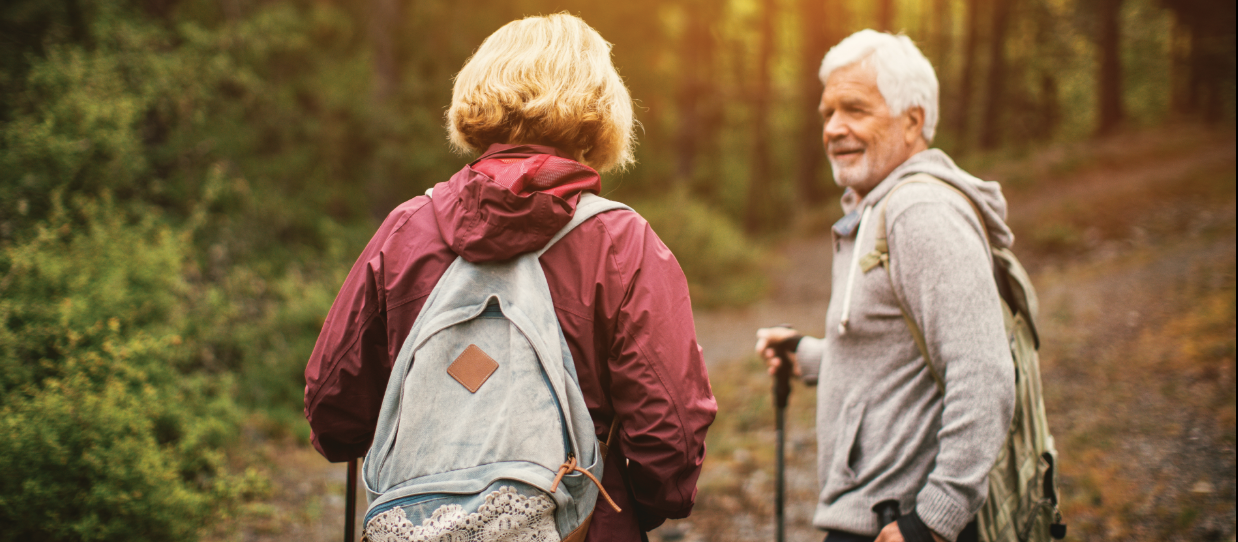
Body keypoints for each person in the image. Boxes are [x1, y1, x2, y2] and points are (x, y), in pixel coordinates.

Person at [304, 13, 717, 541]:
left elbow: (333, 412)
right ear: (599, 108)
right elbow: (671, 436)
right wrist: (629, 510)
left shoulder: (405, 231)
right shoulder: (621, 242)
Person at [755, 30, 1016, 542]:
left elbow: (984, 370)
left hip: (897, 521)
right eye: (827, 113)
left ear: (913, 120)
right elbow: (899, 357)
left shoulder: (920, 212)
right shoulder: (874, 207)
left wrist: (933, 521)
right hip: (875, 515)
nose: (833, 128)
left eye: (854, 109)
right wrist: (806, 356)